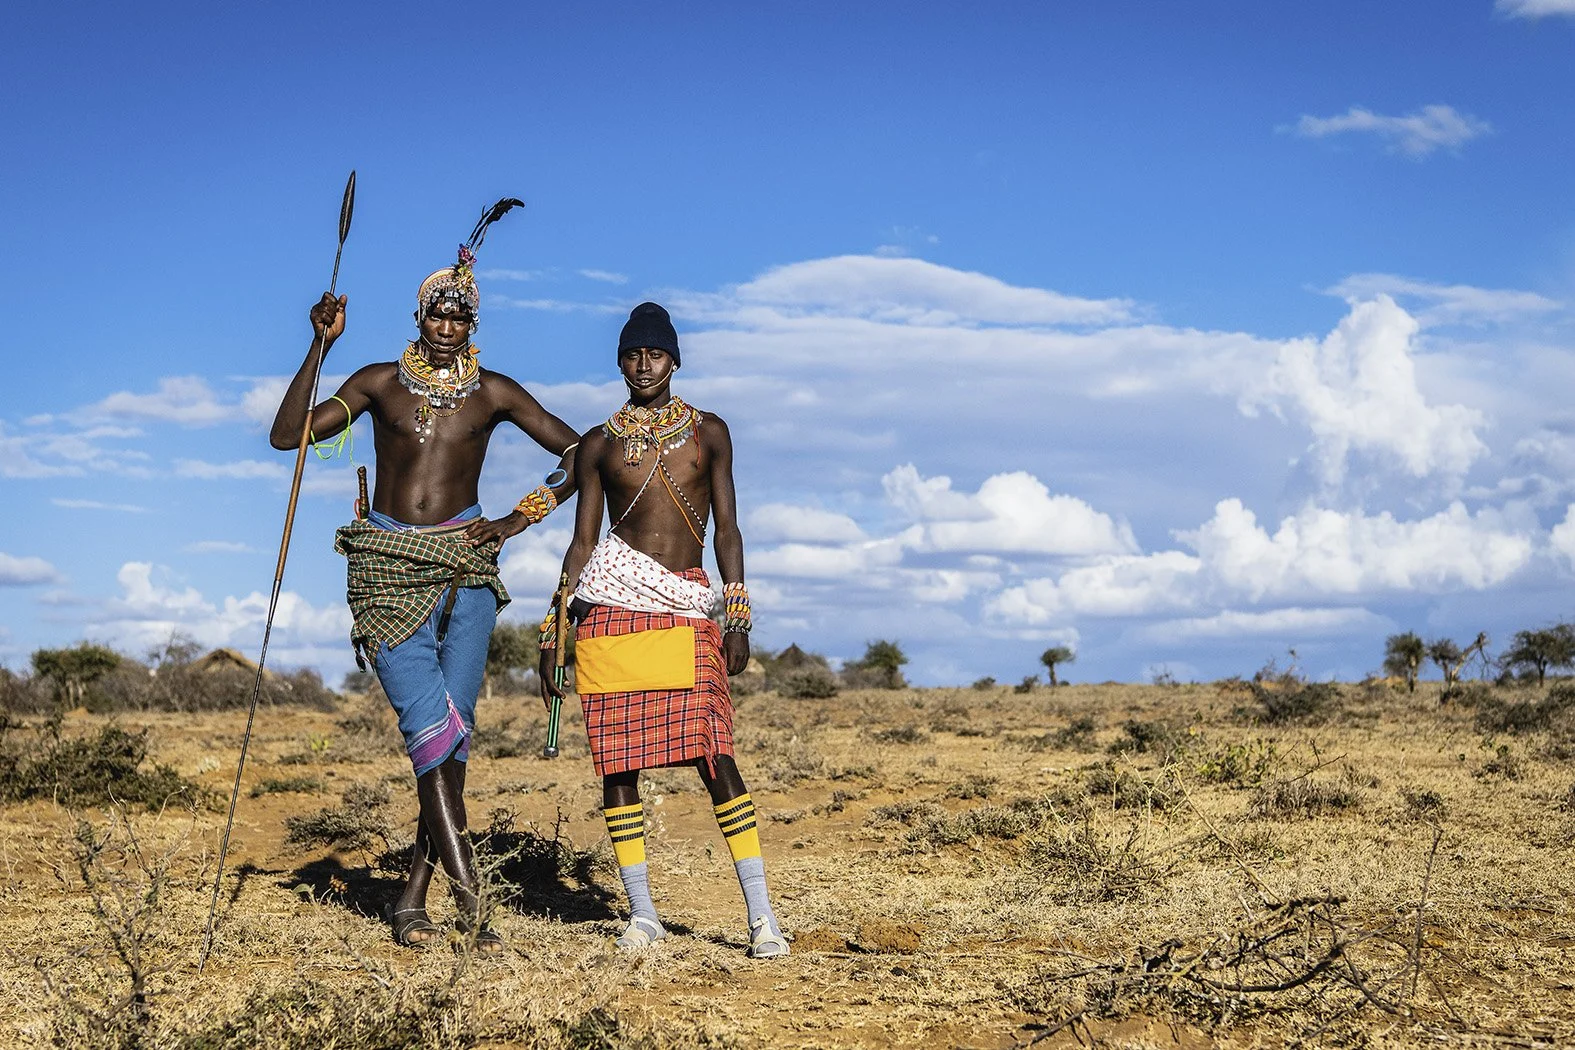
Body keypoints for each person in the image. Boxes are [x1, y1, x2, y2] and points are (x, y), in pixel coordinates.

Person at [269, 207, 578, 952]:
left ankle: (410, 898)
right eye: (436, 312)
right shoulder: (377, 383)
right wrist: (318, 344)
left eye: (459, 314)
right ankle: (474, 902)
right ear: (419, 315)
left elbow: (581, 454)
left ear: (473, 322)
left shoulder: (495, 394)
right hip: (385, 569)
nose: (446, 323)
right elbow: (289, 434)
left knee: (452, 742)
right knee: (426, 731)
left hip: (467, 570)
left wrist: (514, 519)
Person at [540, 301, 788, 958]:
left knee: (715, 757)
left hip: (684, 605)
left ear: (674, 360)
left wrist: (736, 612)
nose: (642, 365)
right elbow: (582, 542)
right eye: (631, 354)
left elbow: (728, 527)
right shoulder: (599, 443)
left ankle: (762, 917)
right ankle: (642, 914)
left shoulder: (709, 433)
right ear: (619, 361)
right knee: (618, 767)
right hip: (610, 612)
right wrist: (556, 624)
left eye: (653, 354)